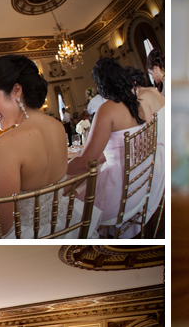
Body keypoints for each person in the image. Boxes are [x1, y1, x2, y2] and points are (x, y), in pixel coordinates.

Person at [0, 55, 94, 238]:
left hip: (29, 235)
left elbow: (0, 226)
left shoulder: (7, 143)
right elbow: (24, 173)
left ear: (17, 90)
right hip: (66, 226)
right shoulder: (57, 126)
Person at [66, 58, 164, 237]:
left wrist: (58, 168)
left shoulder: (107, 110)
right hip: (140, 182)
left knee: (67, 207)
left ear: (101, 86)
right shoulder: (137, 102)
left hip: (120, 193)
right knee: (77, 188)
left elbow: (86, 162)